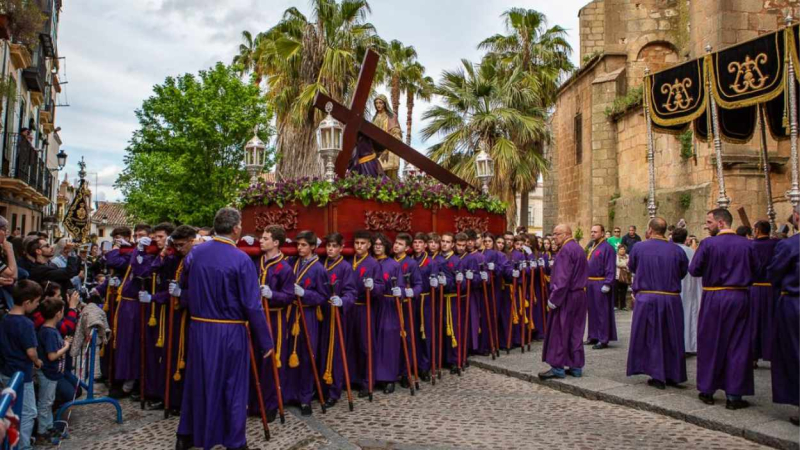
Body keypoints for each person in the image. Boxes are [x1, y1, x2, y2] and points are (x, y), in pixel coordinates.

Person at [174, 208, 273, 450]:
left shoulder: (195, 254)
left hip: (198, 328)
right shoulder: (241, 259)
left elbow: (183, 289)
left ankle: (186, 435)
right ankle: (235, 441)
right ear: (236, 228)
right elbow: (252, 304)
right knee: (233, 386)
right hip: (229, 331)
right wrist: (265, 340)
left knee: (197, 382)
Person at [689, 208, 757, 410]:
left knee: (711, 341)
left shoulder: (708, 244)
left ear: (720, 223)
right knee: (739, 344)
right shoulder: (747, 244)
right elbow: (757, 270)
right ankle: (734, 395)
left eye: (709, 222)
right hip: (739, 296)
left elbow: (694, 269)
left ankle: (707, 390)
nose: (706, 226)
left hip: (714, 296)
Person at [626, 218, 689, 390]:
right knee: (672, 336)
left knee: (651, 336)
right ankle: (673, 373)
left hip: (647, 298)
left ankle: (657, 374)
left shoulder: (639, 247)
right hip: (671, 298)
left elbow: (632, 266)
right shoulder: (677, 250)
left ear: (650, 230)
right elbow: (682, 272)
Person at [251, 225, 294, 422]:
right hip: (256, 316)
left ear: (276, 243)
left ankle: (270, 405)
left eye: (266, 238)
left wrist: (272, 295)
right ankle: (253, 402)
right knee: (255, 359)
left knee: (272, 361)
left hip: (275, 318)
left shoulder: (284, 267)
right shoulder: (255, 261)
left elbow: (288, 296)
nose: (261, 241)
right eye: (261, 238)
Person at [283, 230, 328, 416]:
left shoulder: (319, 269)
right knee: (289, 352)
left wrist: (305, 294)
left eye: (303, 245)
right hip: (291, 312)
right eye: (298, 245)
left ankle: (305, 398)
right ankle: (290, 393)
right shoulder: (292, 262)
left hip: (308, 314)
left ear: (312, 247)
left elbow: (323, 297)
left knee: (307, 355)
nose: (299, 248)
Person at [539, 225, 588, 380]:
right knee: (576, 330)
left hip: (567, 296)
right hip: (579, 295)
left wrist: (554, 299)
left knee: (560, 330)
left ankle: (558, 367)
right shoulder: (579, 249)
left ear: (567, 234)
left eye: (557, 234)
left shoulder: (566, 251)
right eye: (553, 234)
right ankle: (575, 366)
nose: (554, 237)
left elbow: (562, 278)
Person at [0, 280, 43, 450]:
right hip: (21, 374)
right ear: (27, 302)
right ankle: (23, 445)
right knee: (28, 412)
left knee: (10, 410)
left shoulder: (5, 318)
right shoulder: (26, 324)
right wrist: (38, 361)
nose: (38, 305)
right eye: (37, 302)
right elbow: (31, 352)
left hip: (5, 370)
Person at [767, 204, 799, 425]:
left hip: (794, 303)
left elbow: (775, 273)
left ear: (796, 217)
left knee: (795, 351)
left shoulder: (789, 246)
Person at [318, 232, 357, 408]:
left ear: (341, 248)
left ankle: (334, 390)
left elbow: (351, 292)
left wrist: (342, 301)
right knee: (321, 350)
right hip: (321, 313)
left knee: (335, 353)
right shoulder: (321, 263)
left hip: (337, 315)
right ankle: (320, 387)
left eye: (334, 246)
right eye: (328, 246)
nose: (331, 249)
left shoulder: (345, 267)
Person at [347, 230, 383, 398]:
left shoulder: (373, 264)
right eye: (356, 243)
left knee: (365, 345)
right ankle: (353, 377)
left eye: (362, 243)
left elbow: (380, 287)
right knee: (351, 344)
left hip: (364, 307)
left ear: (369, 245)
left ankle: (367, 381)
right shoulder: (349, 261)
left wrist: (373, 286)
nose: (359, 246)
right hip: (350, 307)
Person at [35, 297, 72, 443]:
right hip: (49, 373)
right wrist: (66, 346)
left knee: (48, 401)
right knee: (45, 402)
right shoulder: (49, 332)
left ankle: (48, 427)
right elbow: (51, 356)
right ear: (58, 313)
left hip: (52, 373)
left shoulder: (49, 330)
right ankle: (42, 431)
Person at [371, 233, 404, 393]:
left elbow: (402, 286)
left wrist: (400, 292)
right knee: (372, 340)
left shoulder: (393, 265)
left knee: (388, 342)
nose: (377, 246)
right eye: (375, 244)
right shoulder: (369, 262)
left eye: (380, 244)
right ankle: (372, 377)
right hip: (372, 305)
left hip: (388, 305)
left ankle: (389, 378)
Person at [393, 232, 422, 385]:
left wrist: (409, 292)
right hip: (391, 306)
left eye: (400, 244)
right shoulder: (390, 261)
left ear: (407, 248)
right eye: (396, 243)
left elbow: (418, 285)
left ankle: (406, 372)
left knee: (407, 338)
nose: (396, 246)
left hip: (406, 306)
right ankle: (394, 371)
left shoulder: (411, 263)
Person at [585, 224, 617, 349]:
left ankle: (603, 338)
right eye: (591, 231)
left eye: (595, 232)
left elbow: (610, 266)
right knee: (592, 311)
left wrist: (608, 283)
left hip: (600, 282)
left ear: (602, 233)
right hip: (590, 282)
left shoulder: (607, 248)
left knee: (601, 312)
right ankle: (593, 336)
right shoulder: (592, 246)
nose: (593, 234)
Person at [750, 220, 777, 366]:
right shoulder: (776, 245)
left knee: (754, 323)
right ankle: (772, 355)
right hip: (771, 289)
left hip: (755, 288)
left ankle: (753, 357)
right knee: (770, 321)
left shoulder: (752, 246)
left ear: (757, 230)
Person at [672, 228, 701, 355]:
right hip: (690, 287)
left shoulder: (671, 251)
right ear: (686, 239)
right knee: (690, 314)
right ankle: (690, 344)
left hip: (675, 286)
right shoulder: (692, 252)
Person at [373, 94, 402, 179]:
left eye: (380, 103)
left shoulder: (391, 117)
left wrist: (387, 147)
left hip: (388, 148)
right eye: (376, 103)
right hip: (376, 149)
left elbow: (396, 132)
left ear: (385, 104)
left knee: (389, 174)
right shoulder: (375, 118)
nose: (378, 105)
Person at [614, 246, 630, 311]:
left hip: (625, 276)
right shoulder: (615, 256)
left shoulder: (628, 256)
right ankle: (615, 305)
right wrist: (625, 265)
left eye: (623, 249)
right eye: (621, 249)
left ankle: (623, 306)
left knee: (624, 291)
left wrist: (624, 265)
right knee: (616, 292)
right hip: (617, 276)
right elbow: (617, 263)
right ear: (618, 250)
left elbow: (629, 264)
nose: (622, 250)